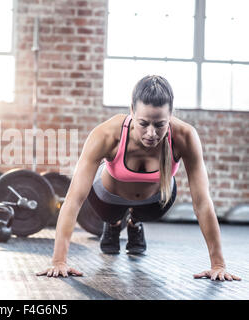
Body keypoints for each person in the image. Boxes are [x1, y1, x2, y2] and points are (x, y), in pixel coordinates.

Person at [38, 75, 241, 282]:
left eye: (160, 124)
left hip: (155, 201)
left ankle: (134, 222)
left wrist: (218, 265)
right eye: (143, 123)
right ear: (132, 111)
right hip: (106, 199)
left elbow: (202, 202)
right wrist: (59, 261)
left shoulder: (185, 136)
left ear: (171, 115)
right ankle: (115, 223)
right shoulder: (107, 134)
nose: (151, 133)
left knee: (150, 210)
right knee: (109, 214)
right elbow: (73, 199)